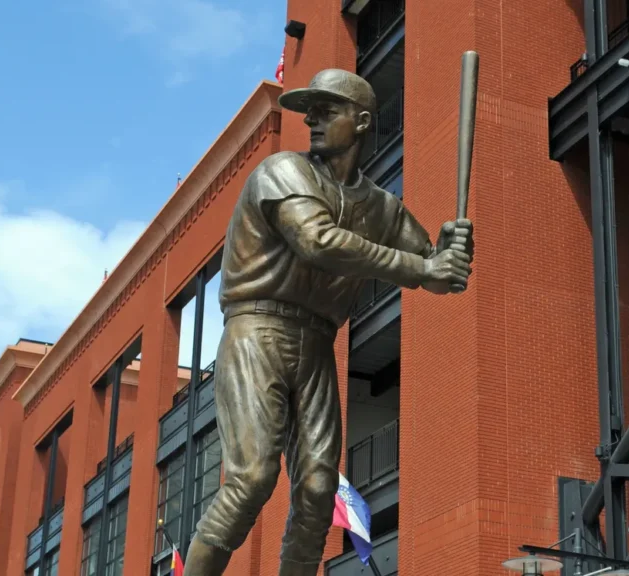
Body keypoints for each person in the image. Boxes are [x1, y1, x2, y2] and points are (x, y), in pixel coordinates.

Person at [183, 68, 474, 576]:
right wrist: (424, 267)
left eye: (327, 110)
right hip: (257, 330)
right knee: (253, 477)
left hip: (317, 342)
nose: (312, 120)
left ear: (361, 121)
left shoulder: (381, 208)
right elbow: (317, 241)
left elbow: (434, 271)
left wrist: (450, 252)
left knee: (319, 488)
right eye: (309, 111)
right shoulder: (283, 171)